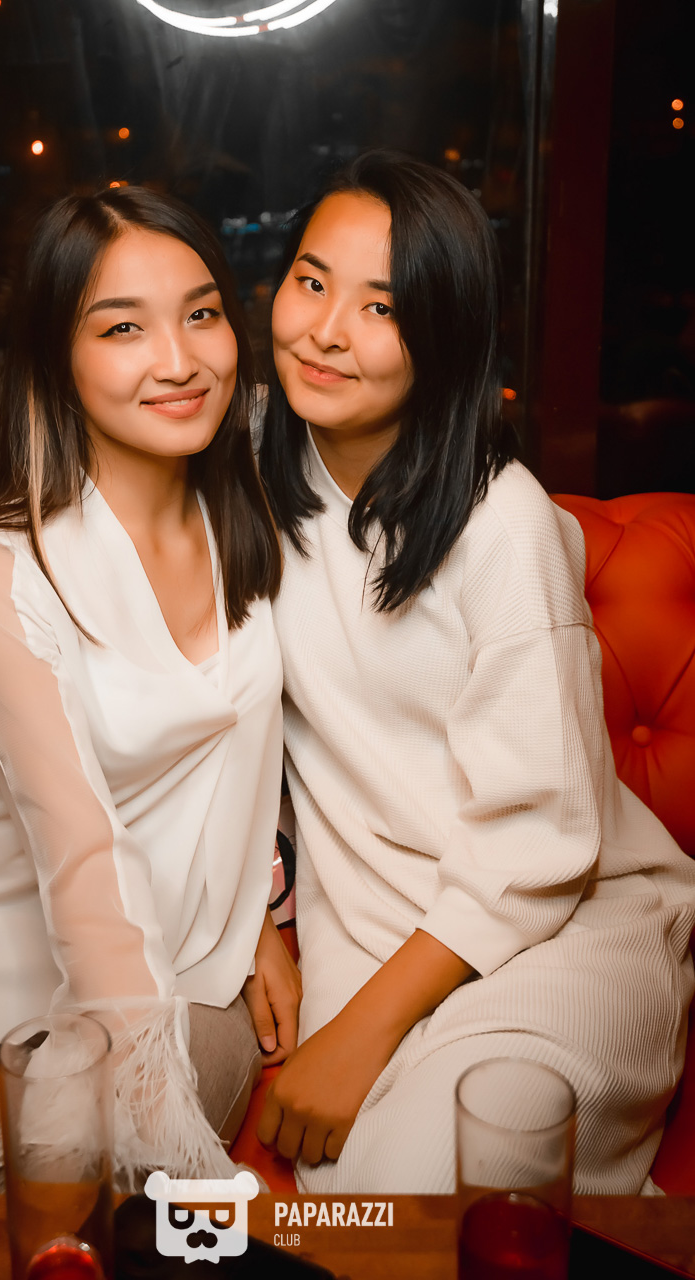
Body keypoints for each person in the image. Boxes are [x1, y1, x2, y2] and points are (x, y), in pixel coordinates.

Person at [256, 150, 695, 1194]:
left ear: (444, 337)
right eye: (311, 281)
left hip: (562, 932)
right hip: (372, 923)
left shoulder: (502, 524)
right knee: (361, 1202)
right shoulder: (250, 473)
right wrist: (250, 926)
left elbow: (539, 844)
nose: (325, 330)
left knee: (433, 1185)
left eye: (381, 307)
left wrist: (359, 1033)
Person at [0, 184, 301, 1194]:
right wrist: (151, 1104)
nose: (179, 360)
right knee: (48, 1229)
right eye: (122, 327)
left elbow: (256, 756)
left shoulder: (261, 524)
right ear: (57, 357)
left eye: (200, 312)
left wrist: (263, 917)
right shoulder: (3, 570)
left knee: (137, 1232)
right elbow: (80, 843)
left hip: (190, 984)